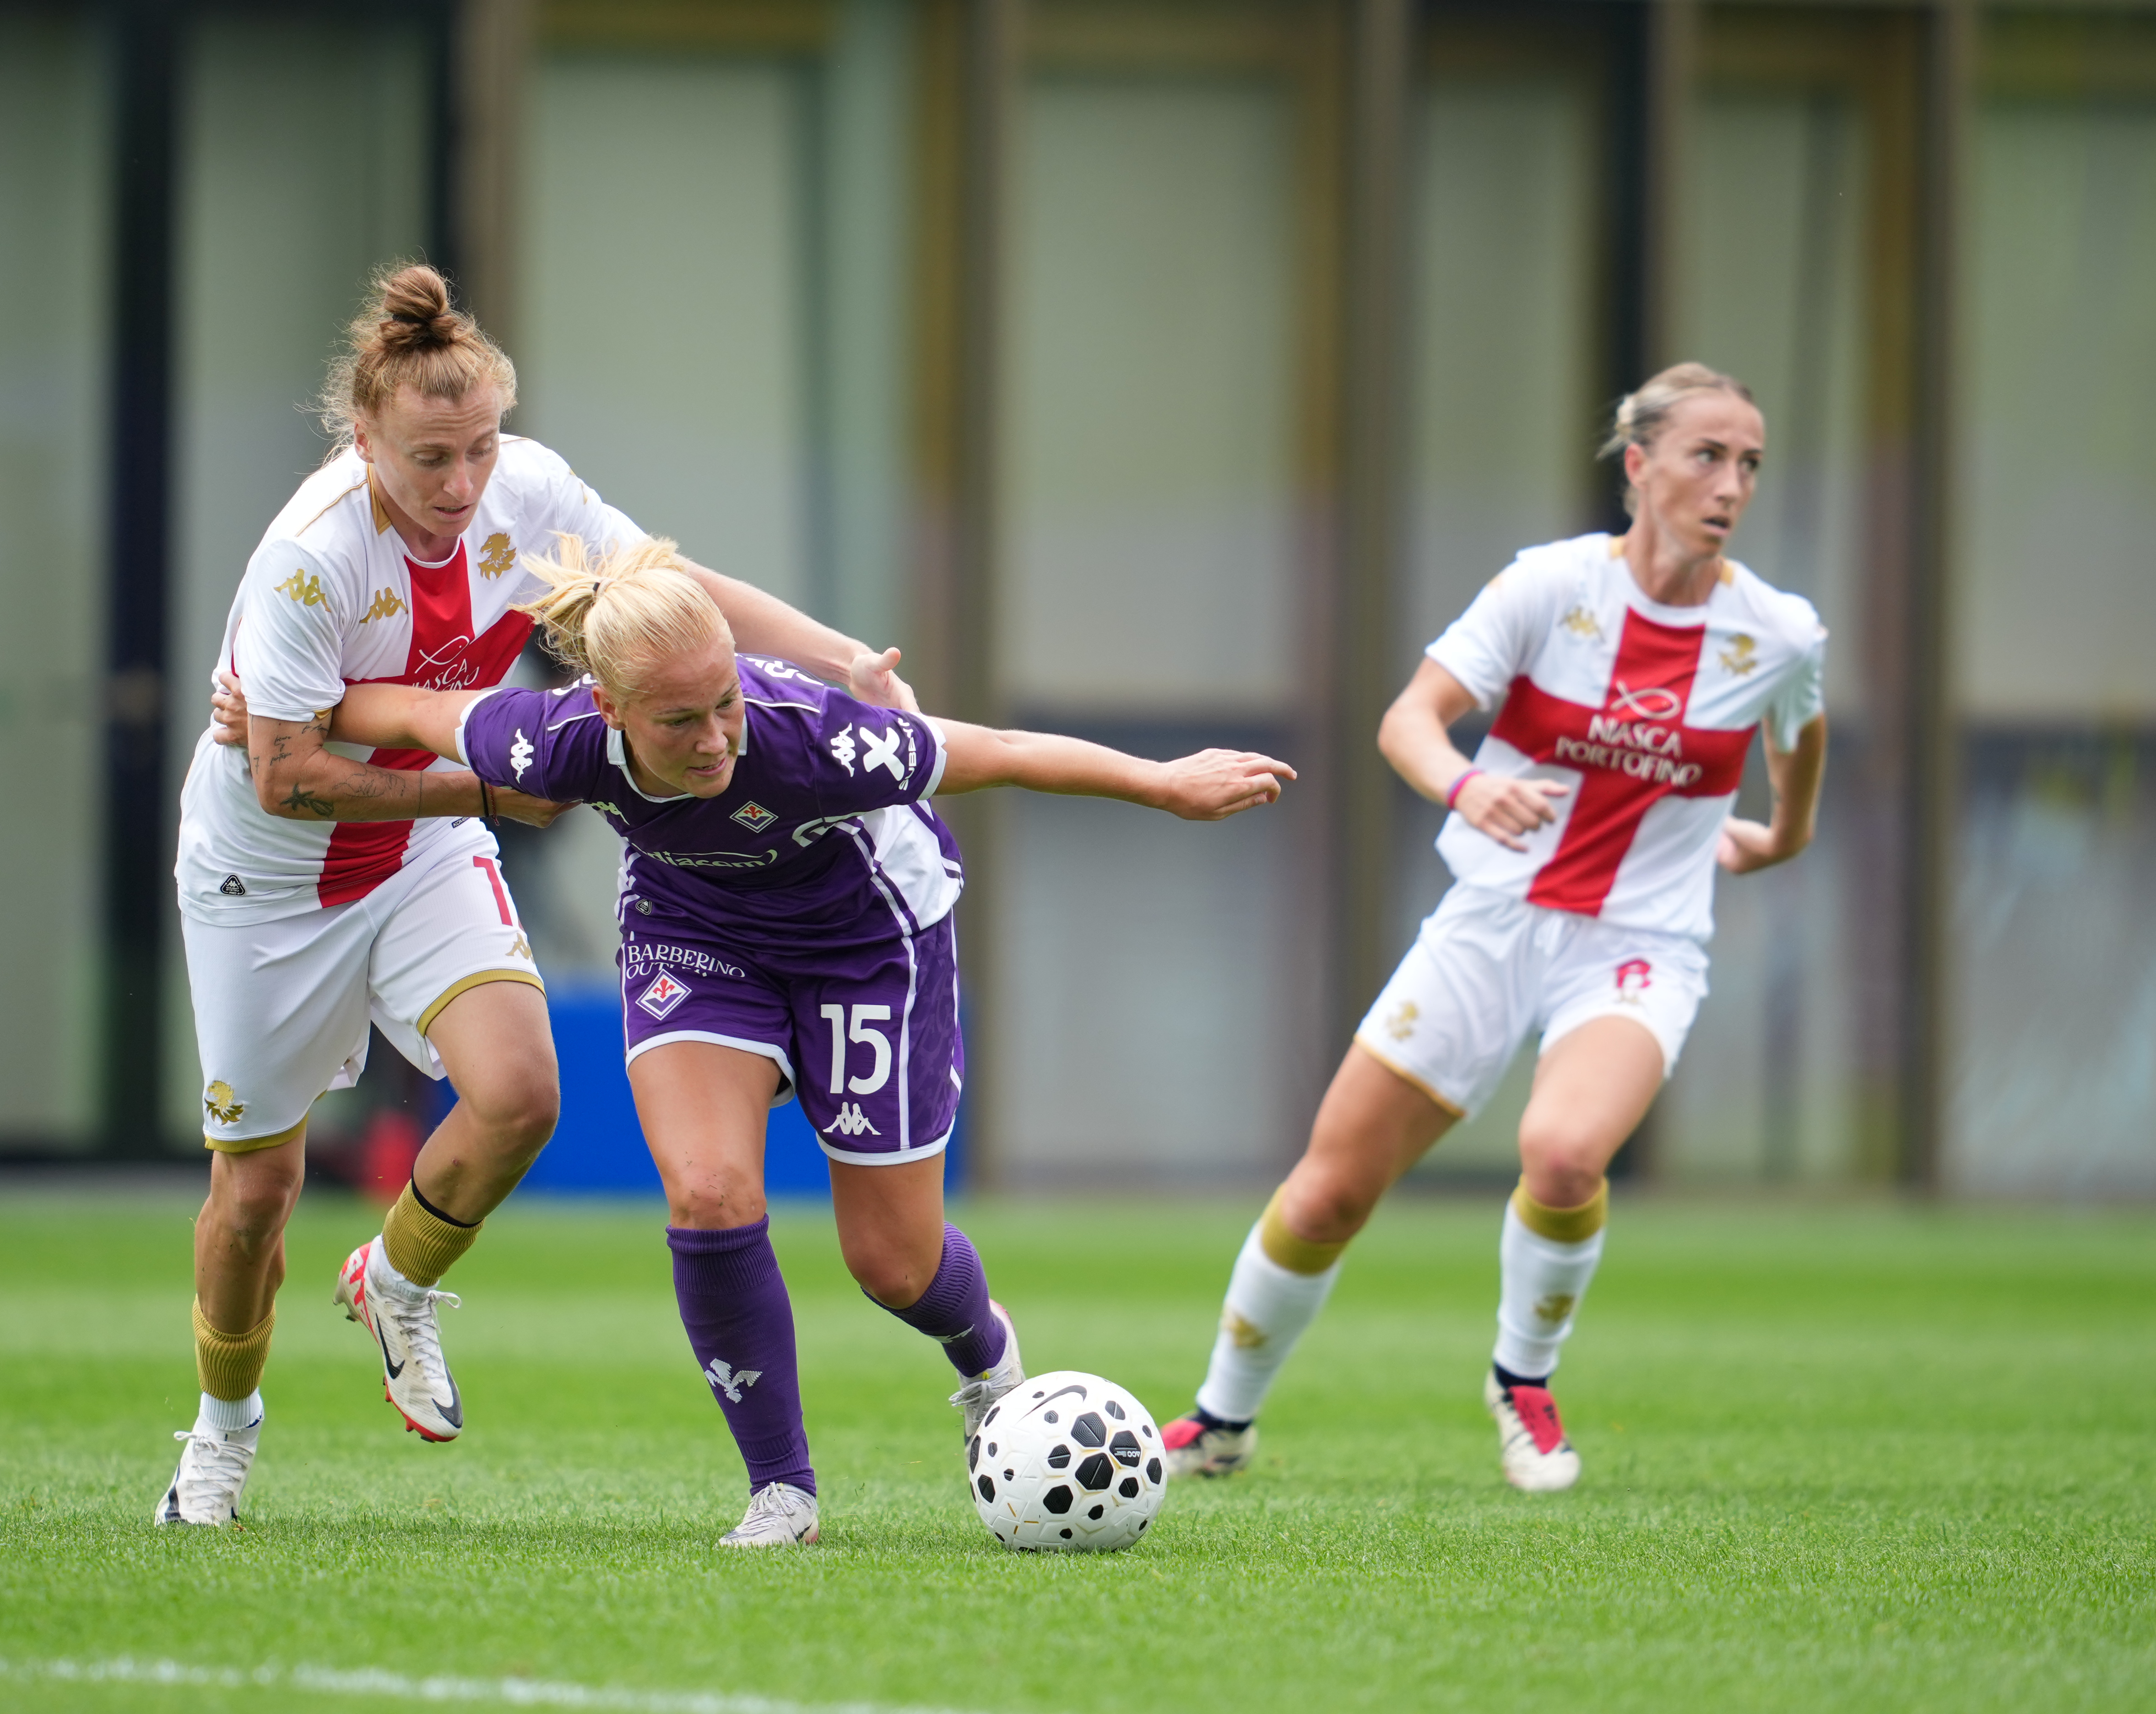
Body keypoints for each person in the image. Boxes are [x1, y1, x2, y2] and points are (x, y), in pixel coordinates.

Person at [283, 535, 1293, 1546]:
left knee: (894, 1265)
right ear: (607, 710)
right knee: (711, 1192)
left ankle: (988, 1358)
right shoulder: (550, 739)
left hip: (868, 943)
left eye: (725, 701)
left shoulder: (815, 738)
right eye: (680, 720)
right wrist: (280, 707)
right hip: (698, 934)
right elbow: (405, 708)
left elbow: (1007, 752)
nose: (718, 737)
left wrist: (1165, 784)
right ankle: (783, 1492)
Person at [161, 261, 917, 1527]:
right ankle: (222, 1438)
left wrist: (837, 653)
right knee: (253, 1201)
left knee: (518, 1097)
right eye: (428, 459)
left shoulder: (529, 495)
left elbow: (666, 594)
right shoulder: (309, 560)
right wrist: (484, 798)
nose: (461, 486)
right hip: (265, 882)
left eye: (479, 448)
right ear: (366, 442)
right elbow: (286, 775)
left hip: (415, 854)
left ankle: (396, 1280)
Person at [1161, 363, 1827, 1494]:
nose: (1732, 484)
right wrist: (1467, 788)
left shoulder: (1777, 634)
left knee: (1564, 1154)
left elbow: (1798, 746)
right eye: (1708, 455)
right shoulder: (1549, 588)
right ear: (1639, 466)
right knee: (1330, 1191)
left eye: (1751, 463)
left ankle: (1523, 1379)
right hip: (1493, 920)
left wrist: (1784, 835)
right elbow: (1411, 721)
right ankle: (1222, 1418)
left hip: (1640, 944)